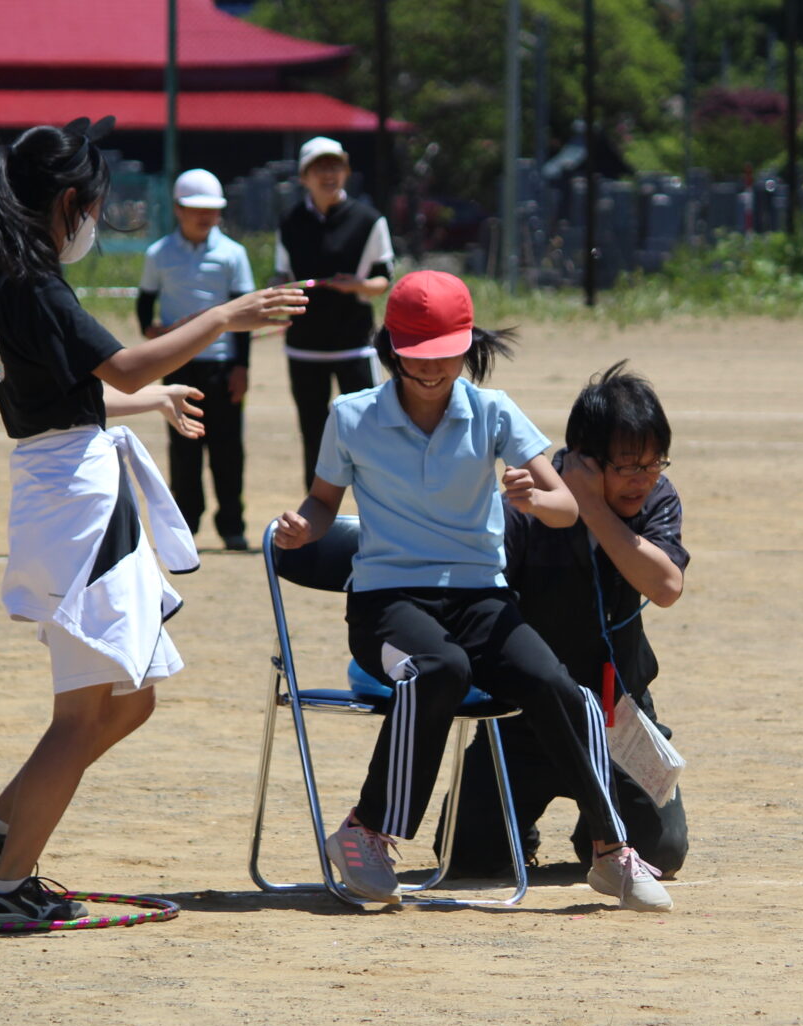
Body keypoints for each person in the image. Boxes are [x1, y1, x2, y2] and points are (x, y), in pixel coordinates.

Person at [0, 117, 306, 923]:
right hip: (76, 510)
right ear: (68, 202)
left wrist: (149, 400)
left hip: (62, 492)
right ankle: (6, 880)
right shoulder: (36, 283)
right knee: (84, 715)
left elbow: (70, 398)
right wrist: (223, 318)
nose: (96, 223)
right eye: (94, 207)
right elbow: (125, 360)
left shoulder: (14, 279)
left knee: (130, 697)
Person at [272, 271, 671, 912]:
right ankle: (364, 831)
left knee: (557, 686)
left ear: (469, 346)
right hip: (387, 604)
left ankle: (609, 851)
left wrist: (534, 498)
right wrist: (302, 528)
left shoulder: (494, 411)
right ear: (391, 347)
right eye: (417, 357)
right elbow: (322, 505)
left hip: (482, 598)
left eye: (447, 356)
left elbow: (566, 505)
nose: (432, 371)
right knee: (440, 668)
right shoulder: (351, 417)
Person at [440, 362, 690, 878]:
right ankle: (522, 827)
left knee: (661, 851)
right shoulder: (527, 502)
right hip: (527, 715)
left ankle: (595, 827)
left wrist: (593, 508)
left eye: (653, 463)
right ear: (582, 460)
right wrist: (567, 500)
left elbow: (665, 587)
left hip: (617, 715)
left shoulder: (654, 499)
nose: (643, 479)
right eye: (627, 466)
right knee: (468, 854)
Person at [137, 168, 257, 551]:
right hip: (177, 367)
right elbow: (145, 304)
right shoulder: (159, 254)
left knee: (228, 450)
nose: (205, 216)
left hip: (222, 367)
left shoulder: (233, 254)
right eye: (196, 209)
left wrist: (242, 367)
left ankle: (232, 525)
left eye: (212, 210)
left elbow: (245, 317)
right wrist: (152, 333)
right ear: (178, 209)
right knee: (183, 451)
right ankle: (185, 526)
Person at [270, 136, 394, 487]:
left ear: (346, 171)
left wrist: (356, 285)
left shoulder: (369, 220)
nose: (329, 174)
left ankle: (376, 501)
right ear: (303, 176)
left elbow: (384, 279)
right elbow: (283, 273)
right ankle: (317, 511)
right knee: (313, 430)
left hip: (354, 343)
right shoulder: (290, 221)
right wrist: (278, 290)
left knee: (368, 430)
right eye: (319, 167)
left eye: (335, 166)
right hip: (304, 345)